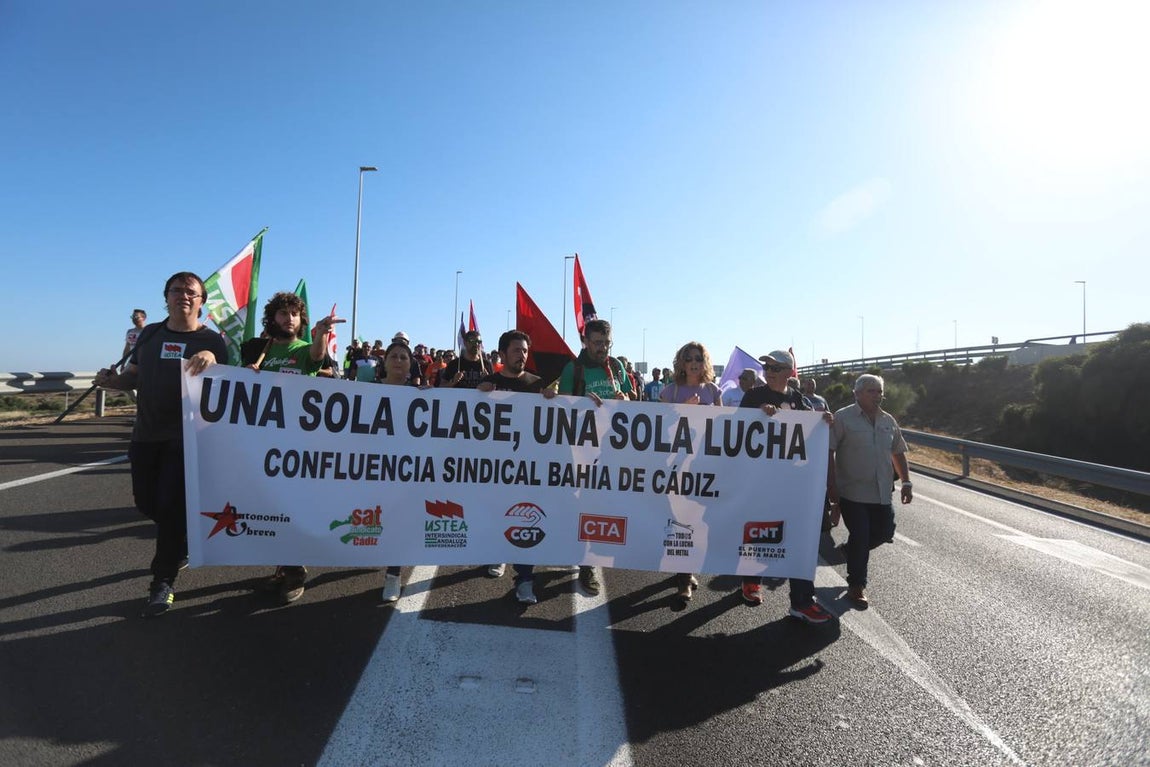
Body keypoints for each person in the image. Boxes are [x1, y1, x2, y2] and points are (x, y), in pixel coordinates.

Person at [94, 272, 228, 617]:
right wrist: (112, 382)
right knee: (146, 502)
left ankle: (162, 581)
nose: (183, 295)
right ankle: (182, 538)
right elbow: (133, 377)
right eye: (177, 290)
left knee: (168, 507)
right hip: (145, 434)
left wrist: (212, 361)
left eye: (191, 292)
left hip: (187, 439)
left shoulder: (213, 341)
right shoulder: (150, 334)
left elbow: (229, 386)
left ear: (202, 301)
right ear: (166, 296)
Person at [244, 291, 343, 605]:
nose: (289, 319)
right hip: (263, 442)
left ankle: (294, 570)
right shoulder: (263, 350)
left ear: (302, 321)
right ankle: (282, 566)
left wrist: (322, 334)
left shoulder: (302, 349)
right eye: (283, 313)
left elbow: (316, 357)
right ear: (272, 318)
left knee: (290, 507)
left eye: (295, 314)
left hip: (296, 446)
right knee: (269, 506)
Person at [739, 349, 835, 624]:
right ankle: (751, 580)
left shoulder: (799, 400)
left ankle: (802, 602)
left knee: (799, 541)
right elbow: (736, 429)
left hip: (793, 485)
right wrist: (758, 415)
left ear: (788, 372)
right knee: (758, 530)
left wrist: (823, 420)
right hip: (760, 481)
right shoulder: (753, 396)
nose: (768, 370)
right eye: (766, 365)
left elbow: (810, 433)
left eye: (775, 366)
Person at [545, 318, 633, 596]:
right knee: (584, 506)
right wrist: (583, 405)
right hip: (582, 451)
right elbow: (565, 410)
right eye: (597, 343)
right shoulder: (575, 368)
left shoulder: (617, 366)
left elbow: (632, 402)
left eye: (607, 343)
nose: (602, 348)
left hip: (612, 450)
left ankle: (590, 556)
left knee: (604, 506)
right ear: (585, 342)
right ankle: (587, 564)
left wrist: (624, 399)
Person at [826, 373, 912, 608]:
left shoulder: (888, 420)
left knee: (885, 532)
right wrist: (831, 485)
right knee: (861, 534)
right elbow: (828, 451)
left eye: (879, 391)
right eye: (871, 391)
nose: (877, 395)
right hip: (853, 492)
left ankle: (850, 549)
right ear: (857, 393)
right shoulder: (843, 418)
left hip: (882, 491)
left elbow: (898, 452)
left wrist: (906, 482)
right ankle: (857, 585)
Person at [477, 330, 546, 604]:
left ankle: (525, 579)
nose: (522, 356)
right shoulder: (488, 384)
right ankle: (496, 554)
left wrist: (552, 401)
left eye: (526, 351)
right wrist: (476, 395)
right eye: (517, 350)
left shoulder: (537, 384)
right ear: (503, 354)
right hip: (494, 468)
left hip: (526, 468)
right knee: (496, 515)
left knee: (525, 520)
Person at [659, 341, 722, 603]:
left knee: (697, 521)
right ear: (681, 363)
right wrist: (683, 409)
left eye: (698, 358)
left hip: (704, 466)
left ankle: (688, 568)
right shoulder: (669, 392)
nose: (694, 362)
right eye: (689, 358)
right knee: (680, 520)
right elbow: (658, 428)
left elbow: (722, 426)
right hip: (676, 466)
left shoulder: (713, 390)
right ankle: (684, 578)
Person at [376, 341, 421, 602]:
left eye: (404, 357)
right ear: (384, 362)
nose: (398, 360)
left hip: (403, 471)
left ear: (410, 364)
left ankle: (393, 575)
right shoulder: (367, 391)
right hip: (372, 468)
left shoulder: (419, 395)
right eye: (393, 356)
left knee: (398, 520)